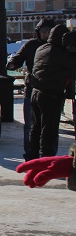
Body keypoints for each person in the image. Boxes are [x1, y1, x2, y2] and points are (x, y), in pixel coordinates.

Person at [6, 18, 56, 159]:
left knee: (50, 127)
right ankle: (30, 154)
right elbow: (19, 58)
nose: (46, 34)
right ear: (38, 33)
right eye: (43, 31)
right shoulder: (31, 45)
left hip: (53, 92)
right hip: (32, 91)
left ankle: (49, 155)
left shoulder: (59, 47)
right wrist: (12, 63)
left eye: (48, 31)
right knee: (31, 125)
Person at [28, 24, 76, 159]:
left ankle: (32, 157)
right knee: (49, 130)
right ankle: (47, 159)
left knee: (36, 128)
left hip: (36, 92)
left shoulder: (42, 48)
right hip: (50, 95)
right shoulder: (59, 52)